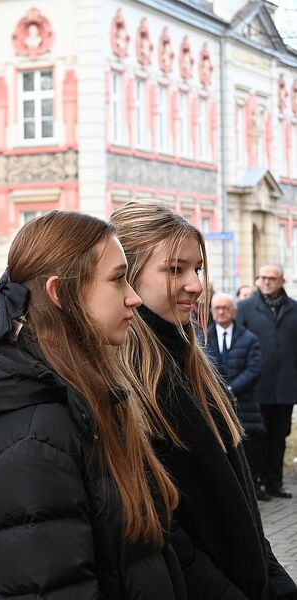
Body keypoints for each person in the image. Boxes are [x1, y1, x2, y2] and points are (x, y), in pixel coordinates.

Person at [0, 211, 185, 599]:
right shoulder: (32, 439)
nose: (134, 298)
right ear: (59, 293)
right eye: (118, 279)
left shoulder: (78, 399)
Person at [111, 200, 296, 600]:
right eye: (175, 269)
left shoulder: (191, 365)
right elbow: (167, 540)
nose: (196, 284)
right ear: (126, 277)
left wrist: (275, 583)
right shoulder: (122, 387)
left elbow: (243, 514)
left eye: (196, 269)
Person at [236, 264, 297, 500]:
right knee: (256, 437)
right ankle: (256, 482)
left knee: (279, 437)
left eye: (272, 278)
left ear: (282, 281)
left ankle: (275, 483)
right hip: (255, 388)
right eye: (263, 278)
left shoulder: (293, 309)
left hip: (285, 385)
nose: (267, 282)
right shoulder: (245, 308)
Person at [204, 293, 267, 500]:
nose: (221, 312)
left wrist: (230, 390)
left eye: (225, 308)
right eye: (217, 308)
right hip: (213, 405)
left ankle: (250, 488)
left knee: (246, 447)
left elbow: (253, 370)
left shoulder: (249, 338)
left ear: (234, 311)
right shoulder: (202, 338)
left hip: (243, 404)